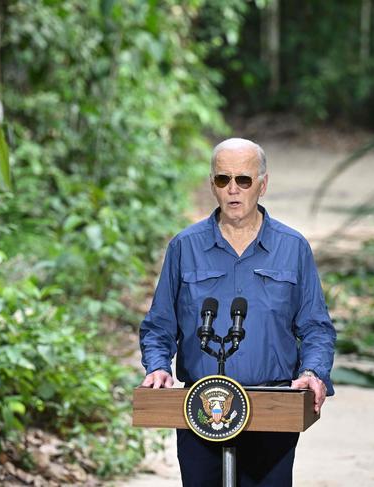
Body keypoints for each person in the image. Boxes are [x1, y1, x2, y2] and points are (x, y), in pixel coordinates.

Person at [139, 137, 336, 486]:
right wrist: (157, 368)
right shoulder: (185, 247)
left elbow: (316, 327)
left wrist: (312, 371)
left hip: (273, 406)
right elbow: (159, 326)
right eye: (222, 179)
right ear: (212, 184)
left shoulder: (292, 248)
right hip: (201, 407)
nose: (233, 189)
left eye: (243, 180)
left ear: (262, 184)